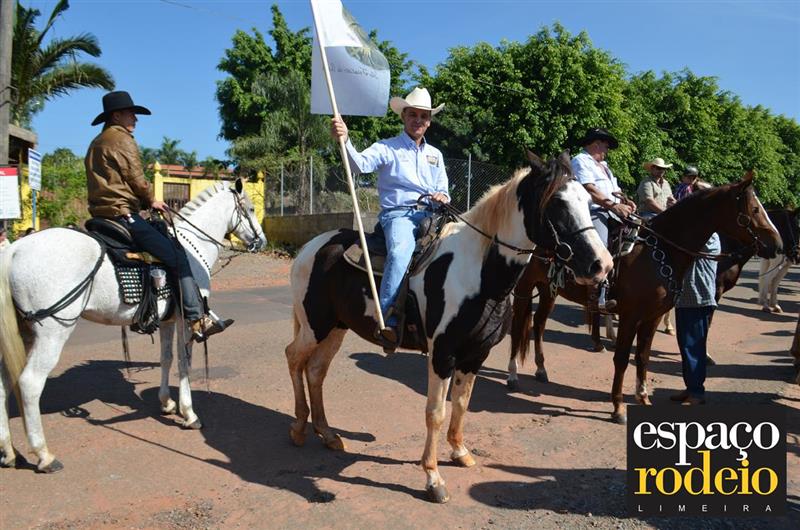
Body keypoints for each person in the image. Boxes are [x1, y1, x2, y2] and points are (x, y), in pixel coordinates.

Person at [85, 90, 231, 342]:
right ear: (116, 116)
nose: (135, 119)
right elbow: (135, 178)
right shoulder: (121, 139)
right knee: (177, 256)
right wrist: (151, 199)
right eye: (131, 114)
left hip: (101, 215)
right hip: (123, 213)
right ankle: (197, 318)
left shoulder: (96, 143)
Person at [330, 87, 449, 350]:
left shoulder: (436, 155)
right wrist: (345, 140)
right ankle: (386, 318)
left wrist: (443, 196)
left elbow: (444, 189)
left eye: (424, 116)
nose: (418, 120)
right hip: (399, 215)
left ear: (429, 121)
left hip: (433, 216)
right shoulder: (387, 147)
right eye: (413, 114)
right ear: (403, 116)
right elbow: (359, 165)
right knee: (400, 251)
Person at [571, 127, 636, 311]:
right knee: (600, 246)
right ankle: (595, 294)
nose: (607, 151)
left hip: (612, 211)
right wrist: (613, 206)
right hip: (593, 210)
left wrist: (626, 201)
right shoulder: (580, 160)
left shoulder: (605, 166)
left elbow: (615, 190)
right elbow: (589, 189)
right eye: (606, 147)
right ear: (596, 144)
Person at [670, 229, 720, 405]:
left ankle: (697, 393)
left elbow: (682, 245)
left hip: (698, 300)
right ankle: (691, 387)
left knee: (694, 348)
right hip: (685, 299)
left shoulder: (709, 237)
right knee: (686, 347)